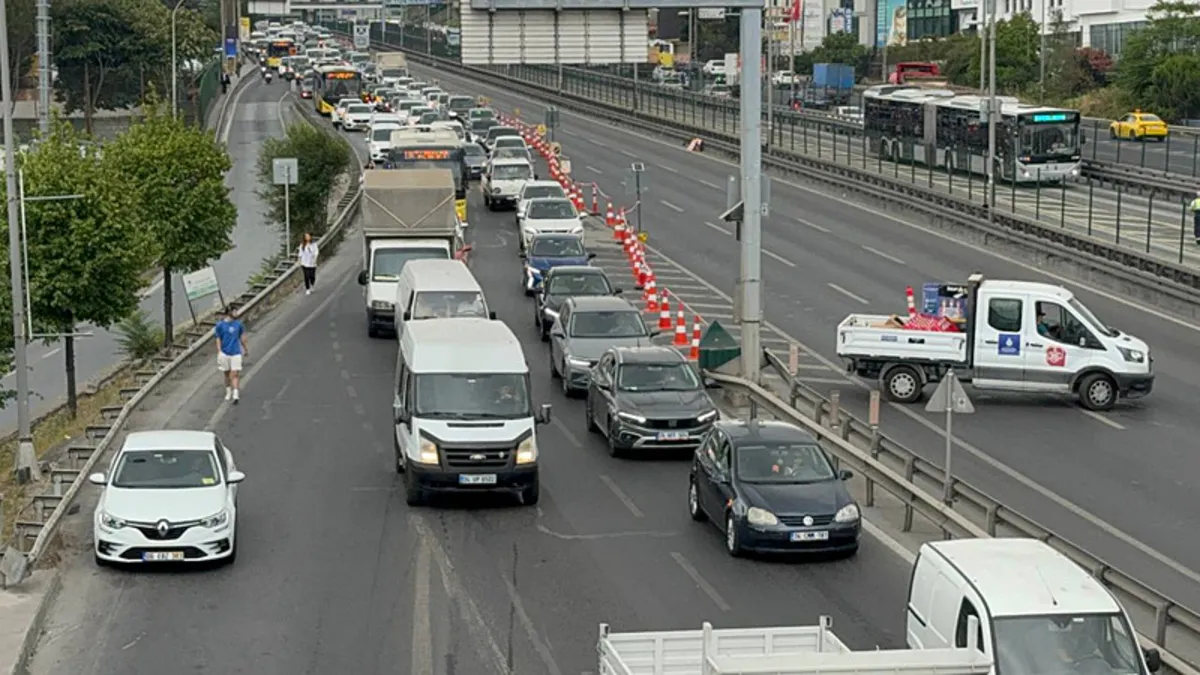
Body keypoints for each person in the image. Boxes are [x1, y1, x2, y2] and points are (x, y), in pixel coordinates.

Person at [214, 307, 248, 403]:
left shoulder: (238, 325)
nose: (236, 313)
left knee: (235, 373)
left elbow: (241, 337)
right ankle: (228, 391)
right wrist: (219, 351)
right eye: (234, 311)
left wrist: (245, 349)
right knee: (226, 374)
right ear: (229, 313)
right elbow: (218, 338)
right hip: (225, 353)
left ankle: (236, 394)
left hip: (236, 353)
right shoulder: (220, 325)